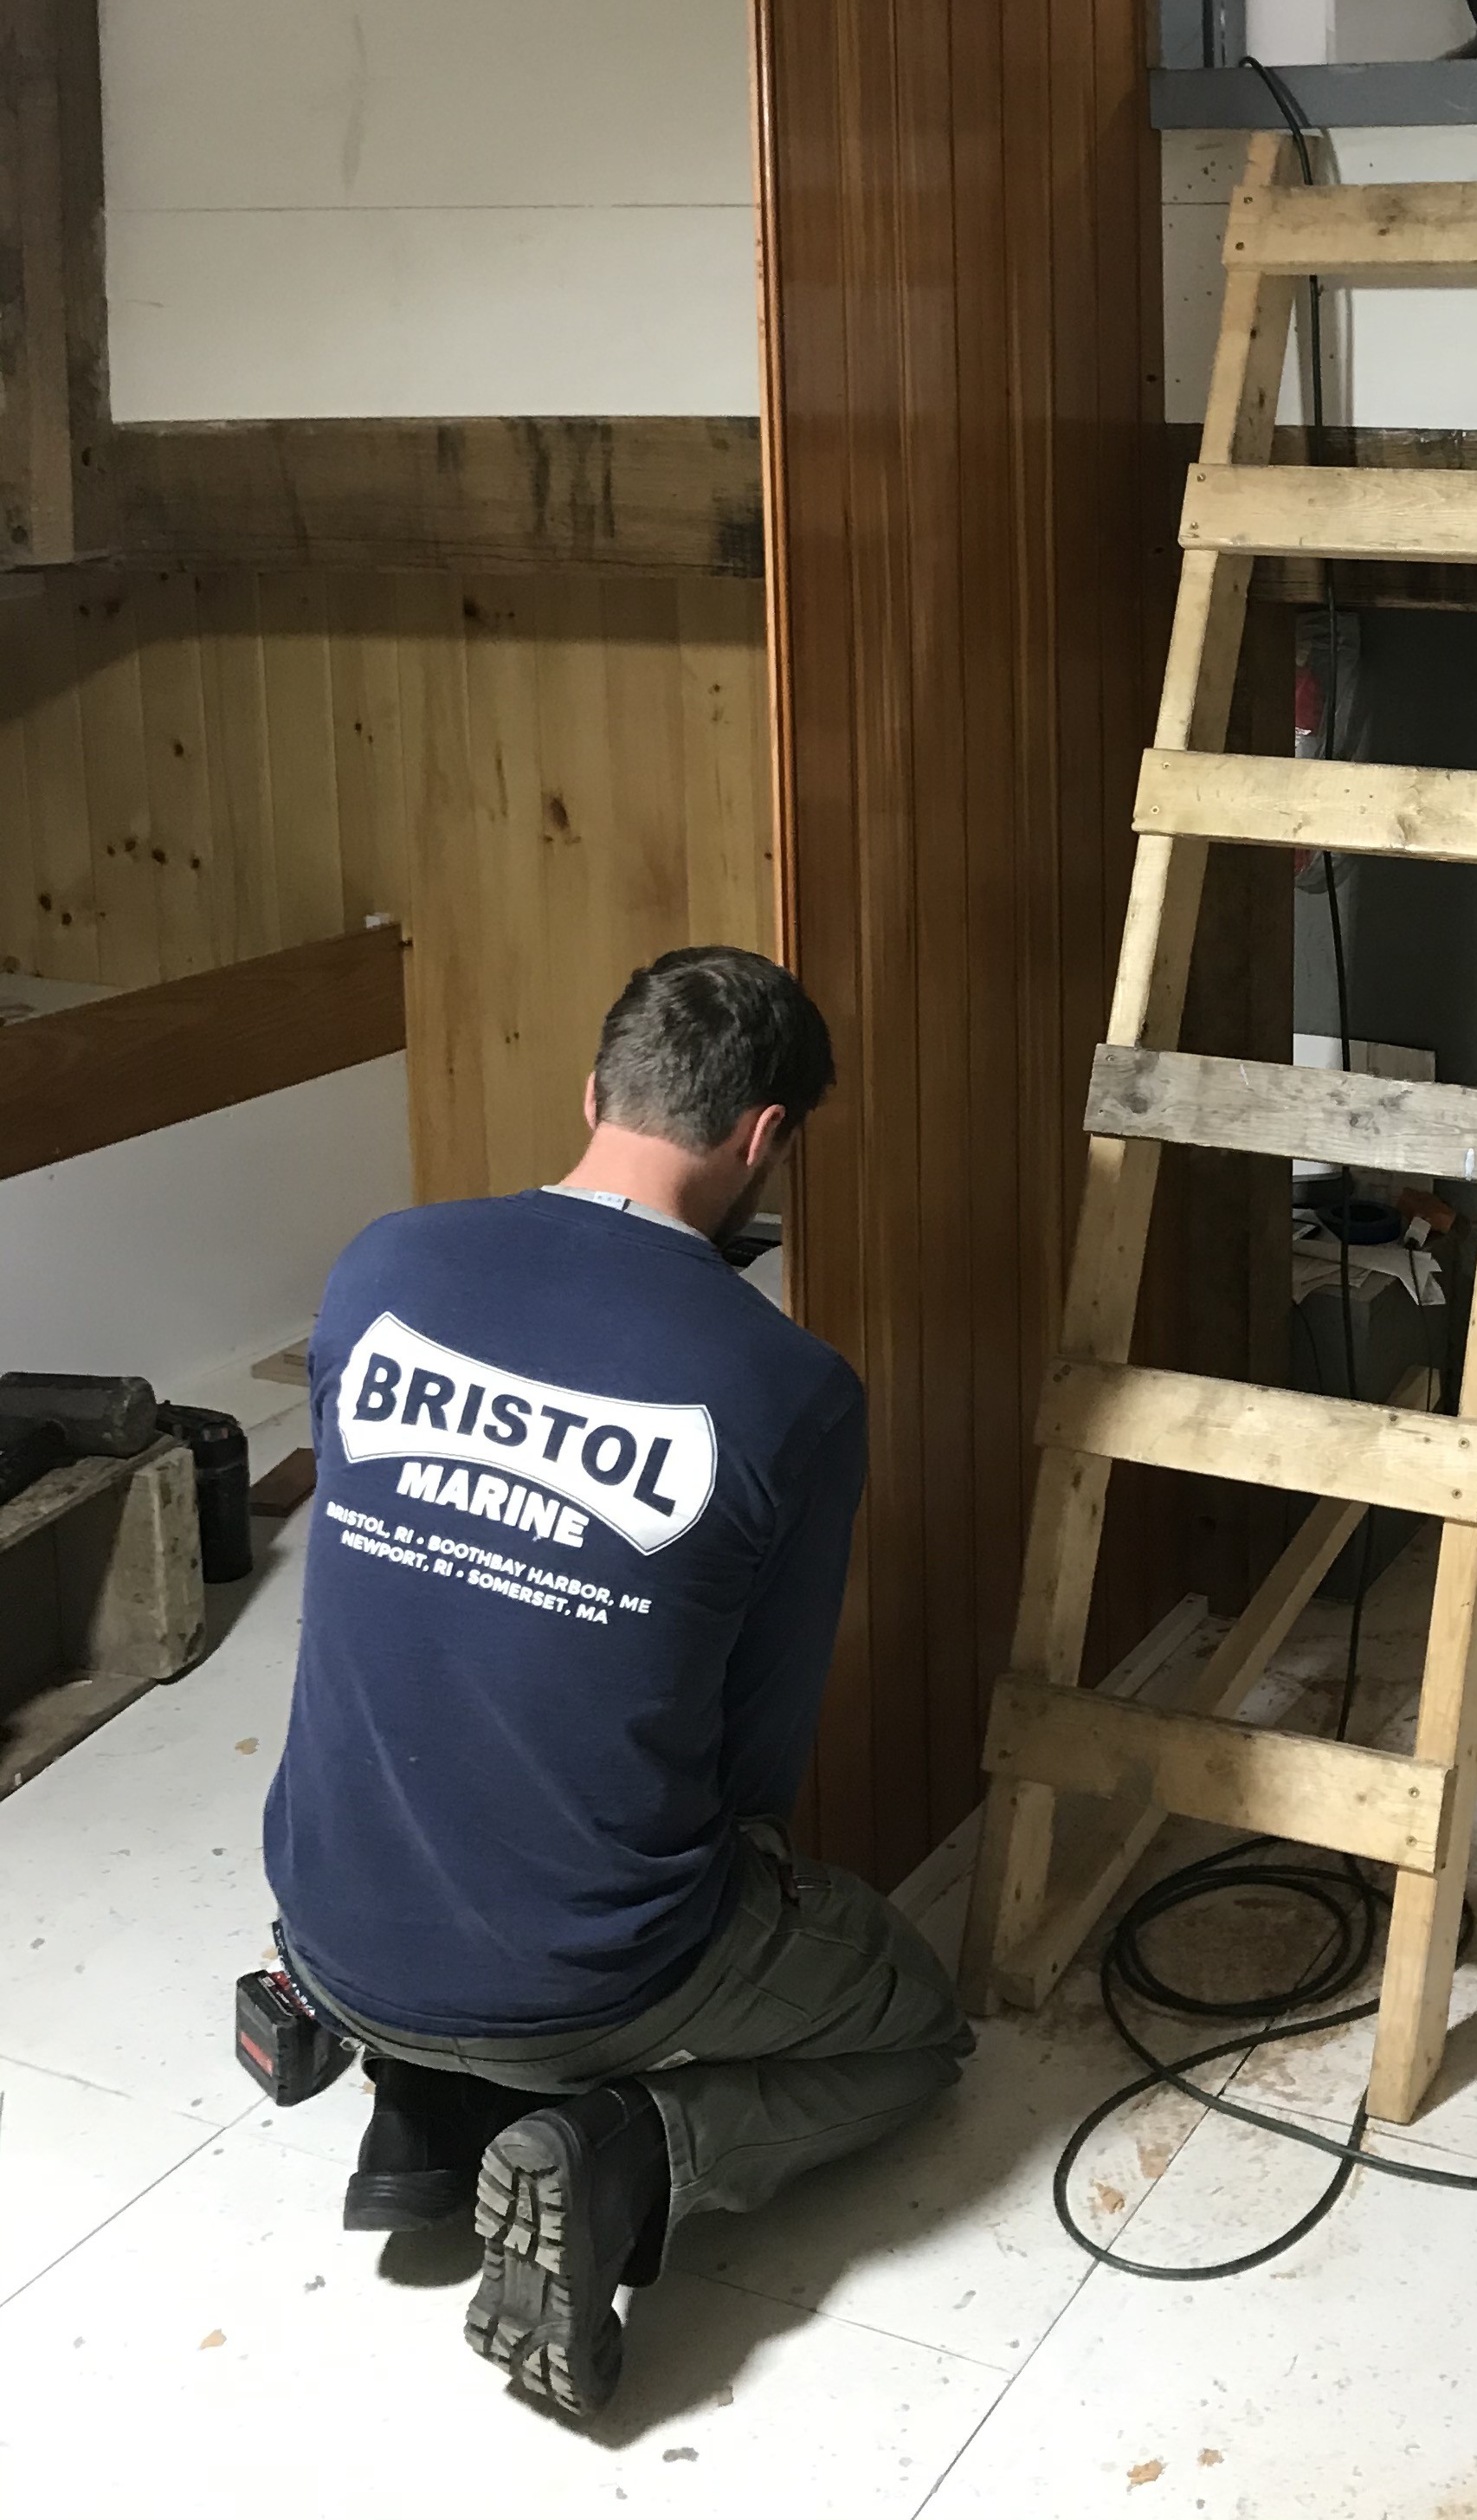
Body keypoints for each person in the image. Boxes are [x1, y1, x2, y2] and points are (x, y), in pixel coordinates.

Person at [264, 947, 971, 2421]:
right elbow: (756, 1751)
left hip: (323, 1916)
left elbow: (388, 1595)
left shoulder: (380, 1265)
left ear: (594, 1094)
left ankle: (426, 2109)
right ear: (765, 1137)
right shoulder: (788, 1387)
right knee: (915, 2026)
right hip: (583, 1976)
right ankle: (628, 2153)